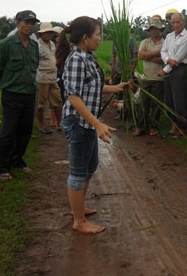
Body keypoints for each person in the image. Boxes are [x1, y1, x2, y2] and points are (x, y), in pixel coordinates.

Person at [58, 16, 128, 233]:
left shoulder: (88, 57)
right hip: (78, 122)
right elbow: (74, 97)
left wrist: (115, 88)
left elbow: (91, 87)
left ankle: (78, 208)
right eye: (98, 34)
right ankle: (79, 221)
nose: (100, 38)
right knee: (78, 171)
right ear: (86, 38)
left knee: (90, 166)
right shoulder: (77, 59)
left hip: (86, 122)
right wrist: (98, 124)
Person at [0, 10, 40, 181]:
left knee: (25, 130)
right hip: (12, 94)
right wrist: (3, 85)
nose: (30, 26)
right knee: (8, 131)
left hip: (29, 94)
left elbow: (34, 69)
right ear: (17, 22)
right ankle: (2, 167)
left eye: (33, 23)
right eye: (26, 22)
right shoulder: (7, 44)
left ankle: (17, 160)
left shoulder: (34, 46)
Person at [158, 12, 187, 137]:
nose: (176, 25)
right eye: (173, 22)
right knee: (169, 99)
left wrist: (164, 70)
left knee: (180, 100)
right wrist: (167, 60)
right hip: (169, 67)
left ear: (183, 22)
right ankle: (174, 127)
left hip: (179, 70)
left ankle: (182, 128)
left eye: (178, 22)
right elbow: (163, 51)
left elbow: (178, 58)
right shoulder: (169, 36)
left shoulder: (186, 37)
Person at [135, 15, 165, 136]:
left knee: (156, 105)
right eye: (152, 29)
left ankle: (154, 127)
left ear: (160, 30)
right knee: (143, 103)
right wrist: (155, 54)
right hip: (145, 78)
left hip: (159, 78)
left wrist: (149, 56)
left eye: (156, 28)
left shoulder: (165, 42)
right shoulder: (144, 42)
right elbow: (140, 55)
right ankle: (141, 126)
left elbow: (163, 59)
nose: (154, 31)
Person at [36, 22, 63, 134]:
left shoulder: (52, 44)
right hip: (42, 78)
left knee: (57, 101)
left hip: (53, 78)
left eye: (50, 33)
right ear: (41, 34)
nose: (48, 35)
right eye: (46, 33)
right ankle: (42, 125)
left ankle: (59, 124)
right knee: (40, 104)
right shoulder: (38, 46)